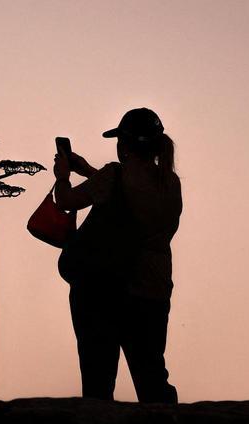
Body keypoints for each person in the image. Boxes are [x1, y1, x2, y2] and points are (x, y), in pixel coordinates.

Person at [53, 107, 183, 403]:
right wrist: (87, 170)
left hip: (106, 289)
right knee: (152, 378)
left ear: (124, 144)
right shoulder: (170, 183)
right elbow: (132, 194)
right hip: (153, 289)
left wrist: (63, 176)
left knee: (98, 380)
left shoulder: (114, 176)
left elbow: (65, 200)